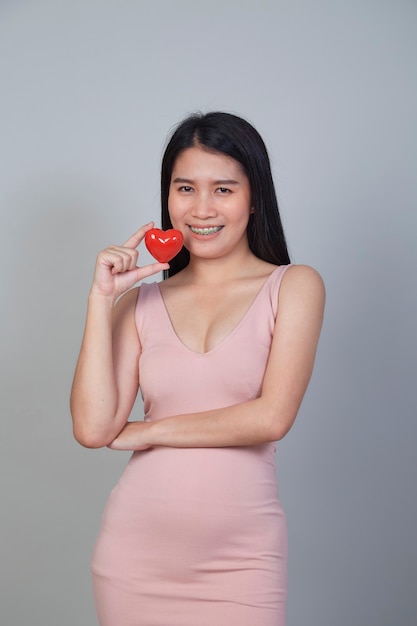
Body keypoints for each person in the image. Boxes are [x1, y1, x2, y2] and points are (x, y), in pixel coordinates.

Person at [70, 111, 325, 626]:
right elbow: (94, 428)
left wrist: (151, 430)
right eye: (185, 188)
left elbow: (271, 418)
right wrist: (101, 301)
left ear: (254, 199)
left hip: (242, 561)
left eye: (224, 189)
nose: (201, 208)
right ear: (167, 196)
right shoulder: (139, 304)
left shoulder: (294, 287)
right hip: (134, 556)